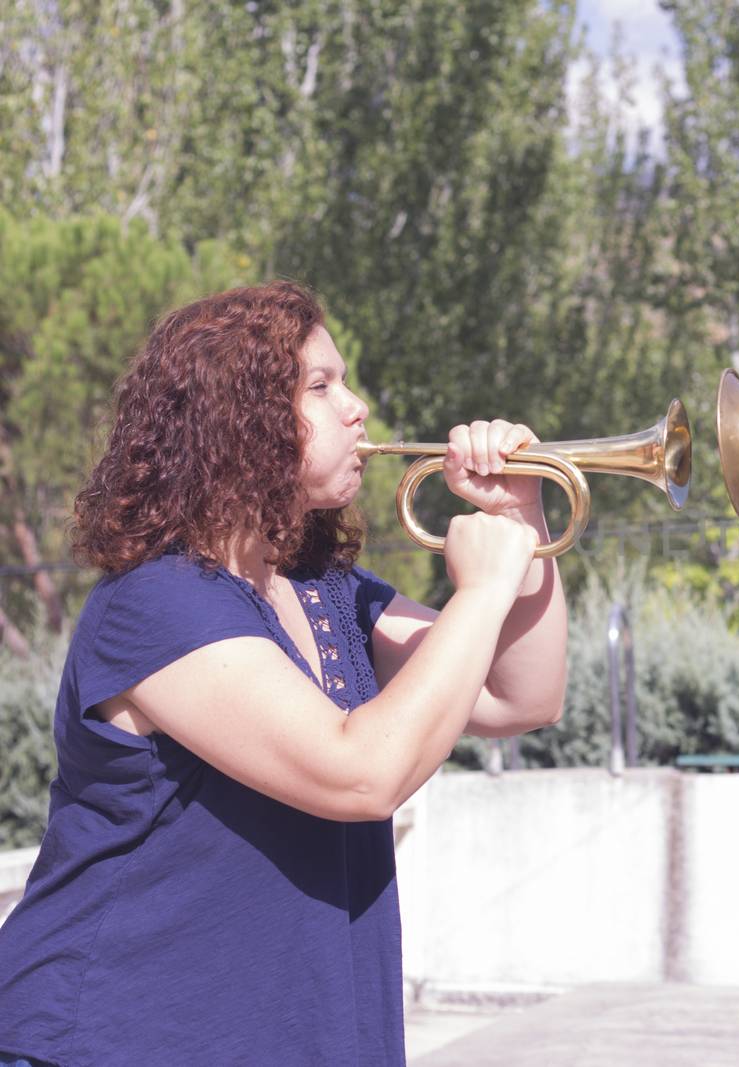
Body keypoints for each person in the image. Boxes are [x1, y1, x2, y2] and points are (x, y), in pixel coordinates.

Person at [0, 281, 567, 1066]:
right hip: (112, 1036)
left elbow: (520, 694)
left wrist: (522, 518)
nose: (358, 407)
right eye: (321, 386)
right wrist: (483, 589)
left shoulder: (326, 586)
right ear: (237, 422)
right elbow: (361, 772)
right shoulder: (157, 602)